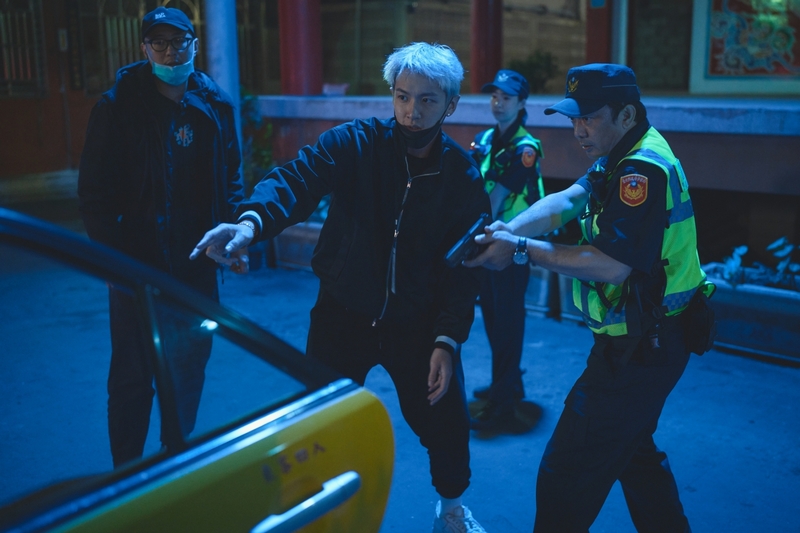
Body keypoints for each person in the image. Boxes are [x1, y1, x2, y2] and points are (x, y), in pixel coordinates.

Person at [190, 42, 490, 533]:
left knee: (445, 421)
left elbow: (464, 268)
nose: (412, 112)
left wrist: (447, 338)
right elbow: (296, 180)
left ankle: (451, 510)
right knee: (319, 419)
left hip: (415, 323)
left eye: (427, 100)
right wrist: (249, 223)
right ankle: (316, 511)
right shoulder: (356, 144)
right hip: (342, 313)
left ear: (451, 104)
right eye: (403, 97)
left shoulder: (462, 177)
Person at [465, 63, 711, 531]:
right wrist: (507, 229)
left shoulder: (640, 169)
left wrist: (520, 249)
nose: (578, 130)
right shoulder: (620, 153)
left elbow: (612, 264)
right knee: (636, 458)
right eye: (573, 118)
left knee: (565, 473)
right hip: (648, 339)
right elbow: (567, 201)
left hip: (641, 350)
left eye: (589, 118)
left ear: (626, 114)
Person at [77, 6, 245, 467]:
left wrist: (233, 237)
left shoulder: (215, 107)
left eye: (180, 42)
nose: (171, 52)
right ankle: (127, 474)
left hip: (196, 266)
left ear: (195, 44)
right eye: (160, 43)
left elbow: (231, 178)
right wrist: (111, 261)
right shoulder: (118, 108)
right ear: (145, 48)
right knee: (132, 378)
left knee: (188, 369)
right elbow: (93, 194)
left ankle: (175, 457)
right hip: (135, 266)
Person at [467, 69, 544, 431]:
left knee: (508, 324)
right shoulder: (484, 138)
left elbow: (496, 198)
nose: (498, 103)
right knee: (493, 318)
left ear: (522, 102)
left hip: (512, 246)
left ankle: (502, 404)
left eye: (507, 98)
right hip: (488, 239)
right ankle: (508, 385)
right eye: (494, 96)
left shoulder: (525, 148)